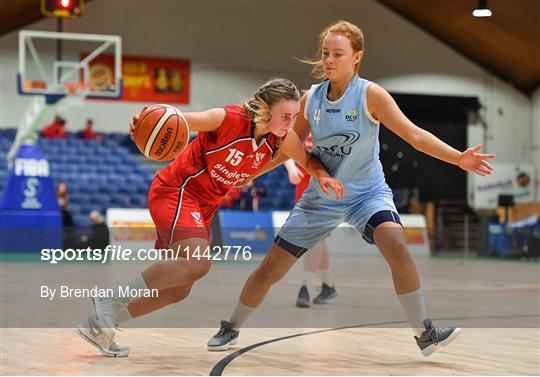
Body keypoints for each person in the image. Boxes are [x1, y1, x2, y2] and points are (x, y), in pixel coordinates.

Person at [207, 21, 496, 356]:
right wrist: (254, 172)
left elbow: (415, 136)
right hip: (321, 197)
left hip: (367, 194)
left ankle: (424, 332)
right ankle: (232, 327)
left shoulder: (370, 95)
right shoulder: (311, 98)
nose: (329, 60)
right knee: (270, 268)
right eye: (326, 53)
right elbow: (291, 144)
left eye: (338, 54)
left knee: (398, 247)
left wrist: (458, 158)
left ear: (357, 57)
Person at [74, 78, 344, 357]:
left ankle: (101, 325)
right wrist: (145, 120)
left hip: (204, 206)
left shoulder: (281, 139)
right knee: (197, 264)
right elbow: (176, 118)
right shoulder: (226, 118)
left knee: (178, 290)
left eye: (295, 117)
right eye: (286, 116)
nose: (291, 123)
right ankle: (107, 303)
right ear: (265, 110)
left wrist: (322, 175)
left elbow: (308, 160)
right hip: (176, 191)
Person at [284, 135, 336, 308]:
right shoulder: (302, 125)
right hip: (303, 189)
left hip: (325, 190)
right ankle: (328, 286)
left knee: (315, 238)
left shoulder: (331, 129)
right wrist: (291, 168)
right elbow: (285, 148)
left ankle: (305, 286)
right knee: (320, 240)